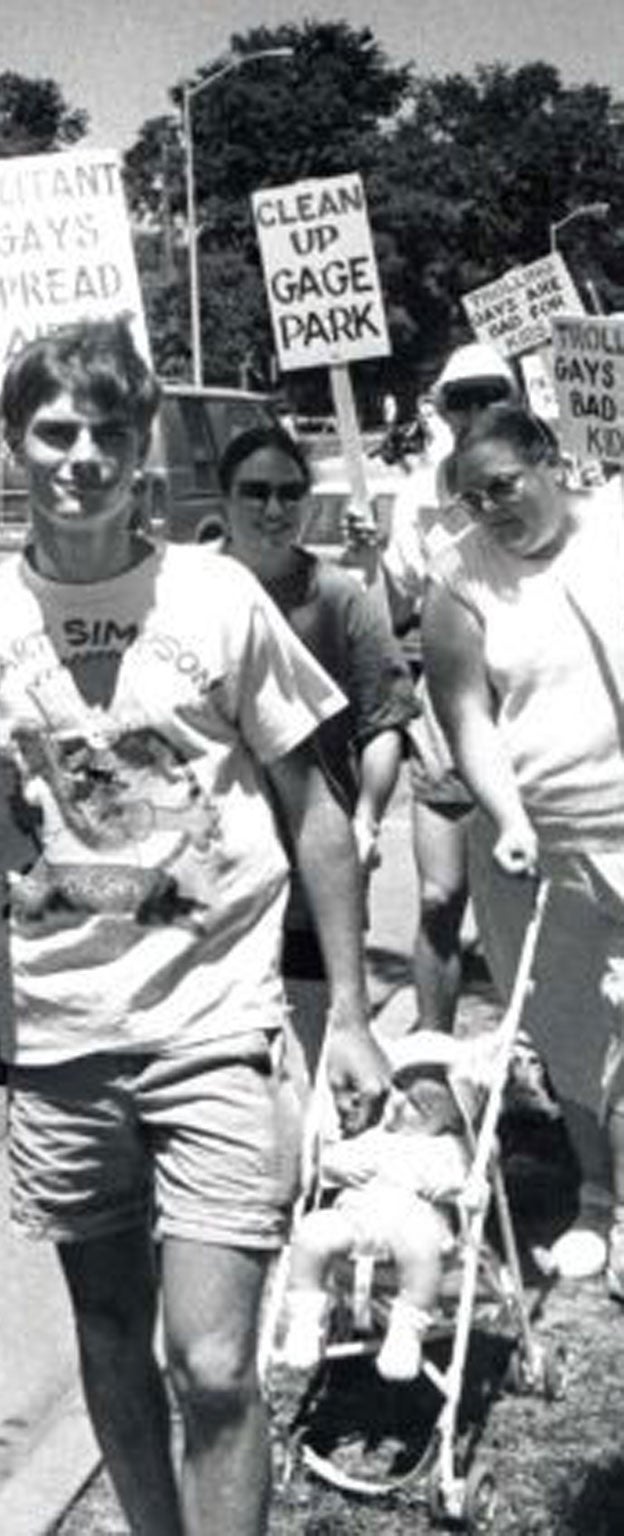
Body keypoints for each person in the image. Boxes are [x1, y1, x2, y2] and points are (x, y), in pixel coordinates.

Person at [0, 318, 390, 1535]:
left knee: (208, 1363)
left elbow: (315, 809)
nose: (78, 455)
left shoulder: (216, 594)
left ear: (142, 454)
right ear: (9, 449)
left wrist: (347, 1013)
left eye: (106, 433)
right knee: (111, 1346)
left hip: (214, 1028)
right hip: (60, 1040)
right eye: (52, 430)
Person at [424, 401, 624, 1298]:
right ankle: (597, 1195)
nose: (491, 511)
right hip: (539, 841)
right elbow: (467, 718)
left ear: (549, 460)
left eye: (503, 487)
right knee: (572, 1031)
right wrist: (506, 816)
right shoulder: (460, 578)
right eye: (472, 498)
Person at [215, 424, 418, 1081]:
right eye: (254, 493)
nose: (273, 509)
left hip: (311, 875)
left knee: (306, 1063)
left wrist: (364, 820)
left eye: (289, 492)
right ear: (223, 500)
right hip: (210, 878)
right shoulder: (188, 598)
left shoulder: (341, 599)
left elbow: (383, 721)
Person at [360, 343, 521, 1036]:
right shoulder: (418, 495)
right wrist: (364, 554)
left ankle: (546, 1058)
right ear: (442, 409)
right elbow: (384, 608)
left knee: (531, 910)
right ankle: (432, 1057)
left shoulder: (538, 476)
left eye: (492, 395)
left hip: (527, 718)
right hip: (447, 720)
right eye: (462, 398)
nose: (477, 410)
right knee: (437, 895)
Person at [277, 1050, 476, 1381]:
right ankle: (306, 1316)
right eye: (398, 1091)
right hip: (358, 1221)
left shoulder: (449, 1147)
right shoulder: (377, 1140)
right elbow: (334, 1161)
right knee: (313, 1231)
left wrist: (447, 1184)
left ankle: (407, 1328)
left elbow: (463, 1180)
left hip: (415, 1222)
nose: (398, 1103)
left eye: (416, 1105)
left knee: (419, 1244)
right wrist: (341, 1163)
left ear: (450, 1121)